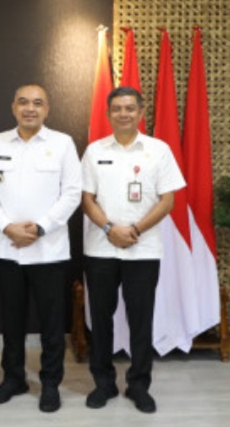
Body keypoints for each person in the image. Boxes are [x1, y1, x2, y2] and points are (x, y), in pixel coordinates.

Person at [0, 84, 81, 413]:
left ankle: (50, 382)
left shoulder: (62, 143)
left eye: (38, 103)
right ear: (13, 107)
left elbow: (73, 193)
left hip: (48, 249)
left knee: (51, 322)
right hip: (7, 248)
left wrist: (39, 228)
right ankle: (13, 378)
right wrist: (7, 227)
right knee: (12, 320)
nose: (30, 108)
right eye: (23, 102)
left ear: (47, 109)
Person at [81, 86, 185, 414]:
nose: (123, 114)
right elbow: (87, 200)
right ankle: (104, 383)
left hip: (143, 249)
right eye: (117, 109)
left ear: (141, 113)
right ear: (108, 113)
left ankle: (139, 385)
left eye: (129, 108)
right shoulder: (94, 151)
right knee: (100, 318)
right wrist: (111, 229)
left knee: (141, 319)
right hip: (101, 248)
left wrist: (135, 230)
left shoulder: (159, 150)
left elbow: (168, 200)